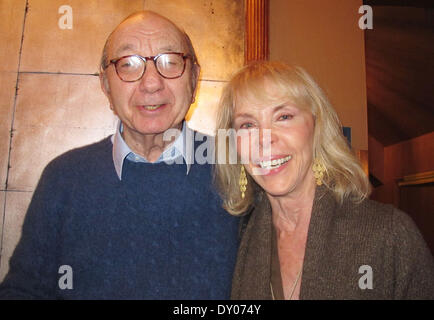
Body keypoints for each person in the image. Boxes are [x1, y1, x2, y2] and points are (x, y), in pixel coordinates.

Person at [0, 11, 239, 299]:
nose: (152, 83)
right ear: (105, 85)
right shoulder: (64, 177)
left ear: (195, 78)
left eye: (170, 61)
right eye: (128, 64)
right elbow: (24, 291)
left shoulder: (237, 166)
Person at [214, 61, 434, 299]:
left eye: (284, 116)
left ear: (316, 126)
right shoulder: (234, 238)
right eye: (247, 124)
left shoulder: (390, 234)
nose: (264, 139)